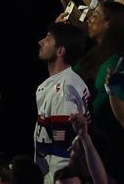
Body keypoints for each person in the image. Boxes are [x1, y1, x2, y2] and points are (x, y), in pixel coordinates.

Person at [34, 22, 91, 183]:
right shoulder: (63, 82)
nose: (41, 42)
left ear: (60, 51)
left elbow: (65, 154)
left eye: (48, 38)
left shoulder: (63, 92)